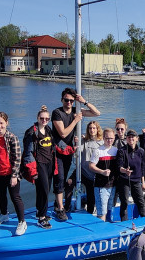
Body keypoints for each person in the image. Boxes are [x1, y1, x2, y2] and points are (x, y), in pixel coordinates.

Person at [51, 87, 100, 221]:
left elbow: (96, 113)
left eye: (72, 101)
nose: (69, 103)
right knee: (60, 178)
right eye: (66, 100)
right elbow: (63, 133)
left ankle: (59, 202)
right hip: (57, 152)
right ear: (62, 100)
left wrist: (84, 102)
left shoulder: (75, 110)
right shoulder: (57, 113)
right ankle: (61, 208)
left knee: (64, 177)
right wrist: (76, 120)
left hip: (69, 151)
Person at [23, 105, 55, 229]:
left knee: (44, 189)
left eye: (47, 119)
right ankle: (42, 217)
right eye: (42, 118)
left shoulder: (48, 130)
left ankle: (39, 211)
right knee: (44, 189)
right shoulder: (32, 132)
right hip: (39, 164)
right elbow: (28, 152)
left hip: (49, 163)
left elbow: (53, 145)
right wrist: (32, 170)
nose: (44, 121)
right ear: (37, 118)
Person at [64, 120, 103, 214]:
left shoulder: (101, 143)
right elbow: (78, 150)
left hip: (93, 175)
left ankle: (89, 212)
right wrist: (77, 142)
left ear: (97, 129)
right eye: (90, 128)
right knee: (69, 183)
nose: (92, 130)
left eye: (94, 128)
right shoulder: (84, 141)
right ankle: (67, 206)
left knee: (91, 196)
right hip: (81, 171)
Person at [116, 129, 145, 221]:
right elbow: (119, 166)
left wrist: (143, 182)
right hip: (124, 179)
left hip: (136, 180)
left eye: (133, 137)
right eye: (129, 137)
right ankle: (124, 222)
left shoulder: (141, 151)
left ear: (137, 139)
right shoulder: (121, 151)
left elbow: (142, 167)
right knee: (124, 202)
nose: (131, 139)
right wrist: (125, 171)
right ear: (126, 139)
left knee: (141, 201)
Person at [89, 128, 118, 221]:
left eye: (111, 138)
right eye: (107, 138)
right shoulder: (98, 151)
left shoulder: (116, 150)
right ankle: (101, 229)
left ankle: (109, 228)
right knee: (102, 212)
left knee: (110, 209)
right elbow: (91, 166)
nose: (109, 140)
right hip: (101, 186)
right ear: (103, 138)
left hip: (113, 185)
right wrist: (102, 171)